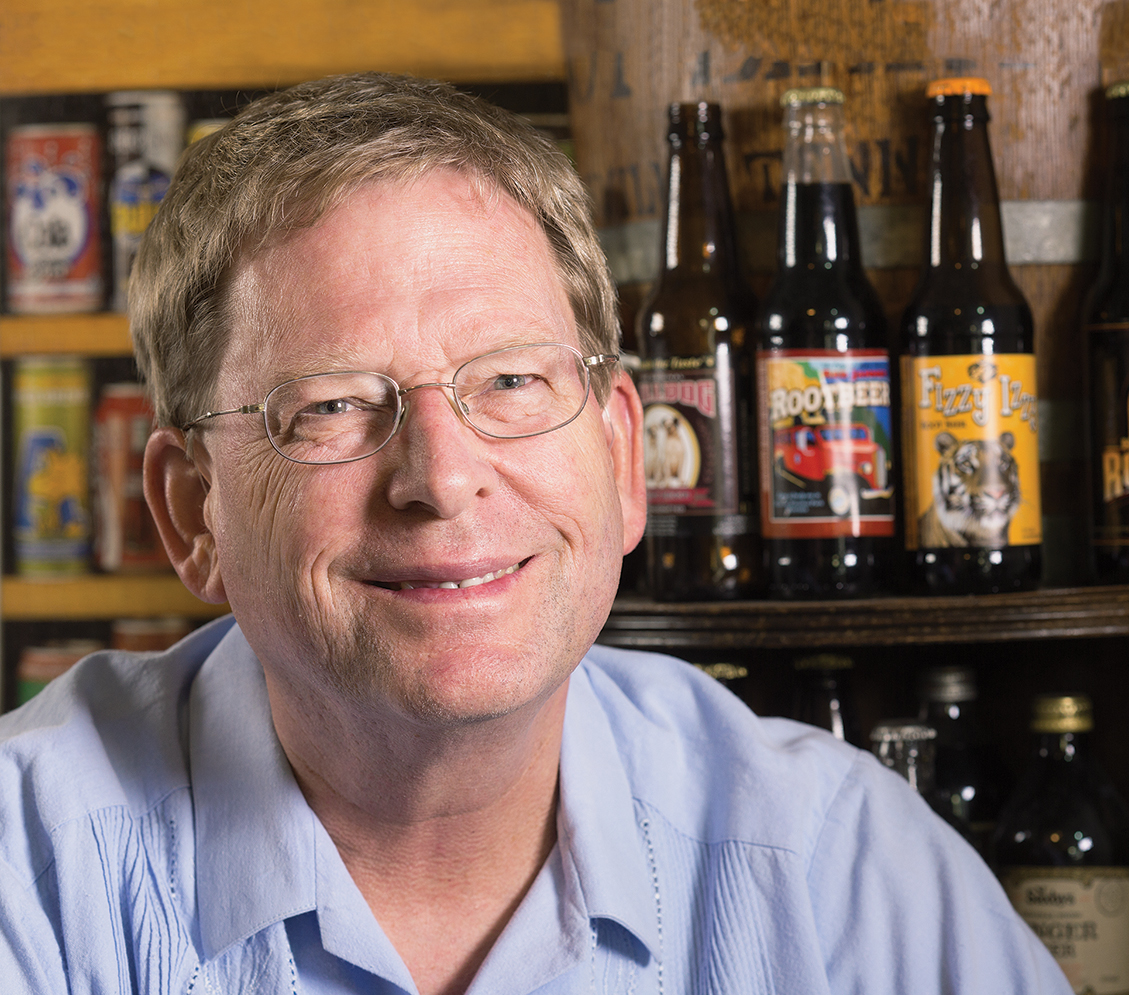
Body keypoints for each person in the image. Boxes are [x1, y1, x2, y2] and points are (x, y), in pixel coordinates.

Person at [0, 73, 1071, 994]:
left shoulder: (843, 870)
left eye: (511, 381)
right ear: (194, 513)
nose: (442, 477)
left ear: (621, 456)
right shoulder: (32, 867)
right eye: (331, 405)